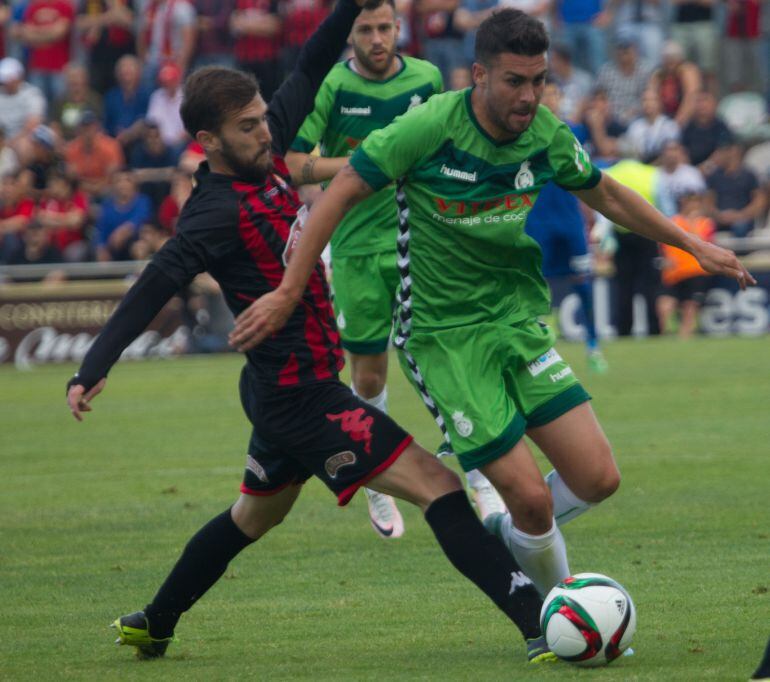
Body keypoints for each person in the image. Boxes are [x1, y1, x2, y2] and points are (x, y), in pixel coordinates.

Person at [65, 0, 552, 664]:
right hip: (302, 399)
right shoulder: (209, 216)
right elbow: (151, 287)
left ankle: (156, 620)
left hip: (283, 391)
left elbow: (313, 58)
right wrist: (91, 368)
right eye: (247, 127)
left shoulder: (266, 147)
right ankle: (538, 622)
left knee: (251, 518)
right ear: (208, 141)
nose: (267, 134)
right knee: (437, 485)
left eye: (264, 119)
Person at [230, 9, 754, 598]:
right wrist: (290, 287)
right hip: (443, 335)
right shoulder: (427, 126)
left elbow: (604, 192)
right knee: (533, 499)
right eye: (514, 81)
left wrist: (691, 242)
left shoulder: (546, 133)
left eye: (539, 80)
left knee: (598, 477)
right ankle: (559, 615)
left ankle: (505, 535)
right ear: (479, 75)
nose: (530, 96)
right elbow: (343, 190)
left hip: (516, 322)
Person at [287, 0, 499, 539]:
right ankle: (377, 484)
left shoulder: (427, 77)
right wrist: (374, 160)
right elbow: (291, 163)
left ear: (399, 29)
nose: (377, 39)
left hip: (420, 244)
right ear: (349, 34)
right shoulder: (333, 87)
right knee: (369, 377)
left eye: (385, 28)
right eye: (365, 30)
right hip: (357, 249)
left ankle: (480, 474)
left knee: (443, 362)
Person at [527, 81, 606, 373]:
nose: (549, 100)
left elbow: (592, 170)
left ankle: (594, 346)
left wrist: (591, 214)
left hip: (570, 220)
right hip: (538, 220)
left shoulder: (575, 132)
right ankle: (542, 349)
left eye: (554, 95)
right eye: (544, 95)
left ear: (561, 100)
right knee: (538, 285)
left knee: (583, 282)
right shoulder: (526, 134)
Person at [656, 190, 714, 338]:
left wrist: (693, 222)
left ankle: (685, 336)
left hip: (695, 270)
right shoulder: (673, 221)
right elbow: (661, 243)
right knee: (665, 304)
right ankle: (666, 334)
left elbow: (707, 244)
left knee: (690, 306)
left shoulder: (704, 222)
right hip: (673, 271)